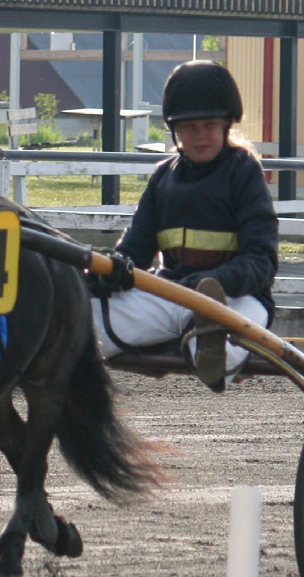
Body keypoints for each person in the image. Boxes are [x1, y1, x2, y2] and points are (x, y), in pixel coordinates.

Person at [92, 59, 278, 393]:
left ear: (226, 125)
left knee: (207, 342)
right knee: (88, 324)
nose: (200, 135)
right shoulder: (163, 177)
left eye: (209, 125)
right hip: (172, 294)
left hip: (238, 298)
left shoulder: (244, 173)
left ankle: (209, 345)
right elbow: (135, 250)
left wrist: (215, 283)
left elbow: (261, 261)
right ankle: (198, 336)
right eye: (189, 127)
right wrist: (112, 269)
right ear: (175, 131)